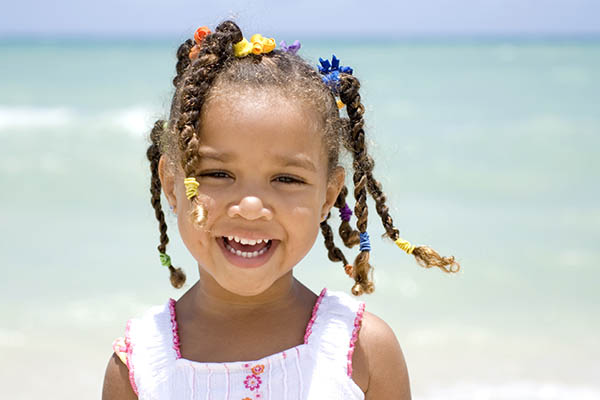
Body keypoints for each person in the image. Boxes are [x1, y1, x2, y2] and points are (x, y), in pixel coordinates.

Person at [102, 20, 460, 400]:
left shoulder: (362, 351)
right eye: (218, 173)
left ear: (327, 195)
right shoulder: (138, 365)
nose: (252, 207)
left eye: (287, 179)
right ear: (172, 185)